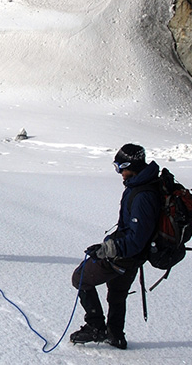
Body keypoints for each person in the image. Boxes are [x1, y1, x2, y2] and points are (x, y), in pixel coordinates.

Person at [69, 143, 161, 349]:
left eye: (120, 168)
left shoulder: (143, 194)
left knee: (80, 278)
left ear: (131, 165)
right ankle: (115, 335)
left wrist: (107, 249)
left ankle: (96, 327)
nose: (119, 173)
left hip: (127, 256)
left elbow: (136, 240)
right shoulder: (140, 185)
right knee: (117, 293)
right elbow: (130, 229)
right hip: (133, 255)